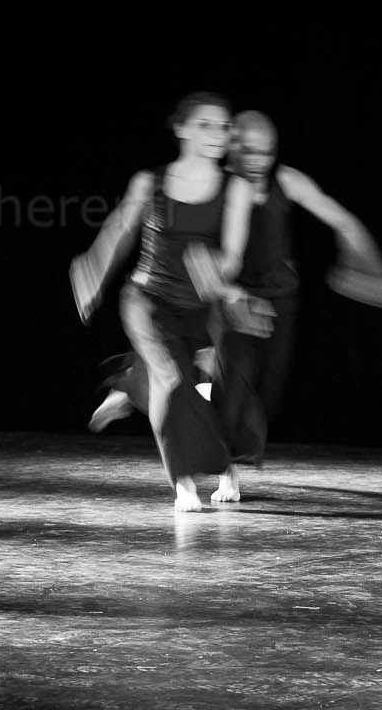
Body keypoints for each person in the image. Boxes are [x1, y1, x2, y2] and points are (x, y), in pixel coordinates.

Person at [69, 92, 270, 511]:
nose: (217, 134)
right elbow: (119, 229)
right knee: (172, 380)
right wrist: (93, 268)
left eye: (223, 126)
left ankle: (217, 460)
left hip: (204, 307)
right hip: (148, 301)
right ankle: (183, 482)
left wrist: (216, 267)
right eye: (205, 125)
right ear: (181, 128)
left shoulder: (235, 188)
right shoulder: (150, 182)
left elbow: (232, 257)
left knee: (209, 389)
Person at [204, 110, 382, 487]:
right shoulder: (217, 186)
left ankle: (211, 403)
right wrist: (228, 293)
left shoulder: (286, 180)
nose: (259, 161)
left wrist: (374, 271)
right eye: (250, 151)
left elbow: (343, 221)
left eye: (266, 152)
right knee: (235, 380)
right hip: (234, 299)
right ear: (232, 147)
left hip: (280, 301)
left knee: (269, 390)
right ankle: (224, 464)